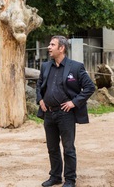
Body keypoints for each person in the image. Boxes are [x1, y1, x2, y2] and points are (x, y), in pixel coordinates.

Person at [36, 35, 95, 187]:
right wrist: (40, 100)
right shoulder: (45, 66)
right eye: (49, 44)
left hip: (66, 114)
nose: (49, 47)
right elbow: (39, 85)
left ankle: (70, 180)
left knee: (68, 148)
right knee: (52, 148)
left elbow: (89, 87)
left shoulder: (76, 67)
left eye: (52, 44)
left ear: (61, 48)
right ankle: (55, 176)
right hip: (49, 113)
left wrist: (74, 102)